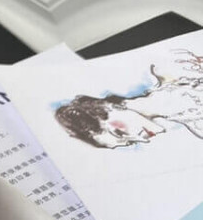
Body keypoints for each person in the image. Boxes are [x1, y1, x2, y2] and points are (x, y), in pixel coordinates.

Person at [55, 51, 203, 148]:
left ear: (107, 107)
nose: (143, 139)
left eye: (120, 133)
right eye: (130, 142)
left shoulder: (171, 68)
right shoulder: (198, 127)